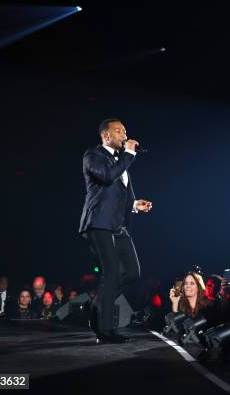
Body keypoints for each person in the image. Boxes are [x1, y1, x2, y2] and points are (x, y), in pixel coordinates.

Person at [79, 118, 153, 344]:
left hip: (118, 225)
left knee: (132, 272)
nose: (124, 134)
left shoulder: (122, 160)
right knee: (111, 273)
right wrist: (129, 155)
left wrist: (134, 205)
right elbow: (106, 177)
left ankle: (98, 304)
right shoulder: (92, 156)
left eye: (125, 131)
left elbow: (118, 195)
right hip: (99, 223)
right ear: (105, 135)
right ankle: (105, 330)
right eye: (118, 131)